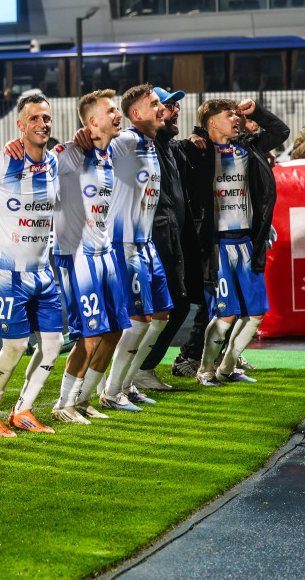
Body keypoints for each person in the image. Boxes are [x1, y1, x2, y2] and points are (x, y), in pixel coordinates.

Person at [181, 98, 289, 386]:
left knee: (255, 313)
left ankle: (226, 369)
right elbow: (171, 150)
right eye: (228, 114)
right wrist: (195, 135)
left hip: (247, 240)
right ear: (212, 122)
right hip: (217, 245)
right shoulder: (196, 150)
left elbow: (281, 132)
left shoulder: (247, 146)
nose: (235, 117)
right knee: (225, 315)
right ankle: (204, 371)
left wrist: (258, 112)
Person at [0, 95, 62, 437]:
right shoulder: (1, 162)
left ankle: (23, 410)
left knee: (53, 345)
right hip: (8, 273)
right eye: (35, 118)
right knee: (15, 346)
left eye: (46, 118)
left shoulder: (54, 161)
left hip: (43, 271)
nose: (43, 123)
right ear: (20, 125)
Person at [47, 90, 129, 424]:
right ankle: (63, 404)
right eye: (111, 110)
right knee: (90, 334)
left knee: (114, 331)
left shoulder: (112, 153)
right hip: (76, 255)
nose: (118, 114)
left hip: (105, 253)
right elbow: (39, 164)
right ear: (93, 121)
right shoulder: (68, 153)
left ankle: (82, 399)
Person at [97, 84, 171, 410]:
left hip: (146, 243)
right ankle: (111, 392)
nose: (161, 108)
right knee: (138, 320)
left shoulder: (151, 145)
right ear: (136, 114)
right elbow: (95, 145)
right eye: (154, 104)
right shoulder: (126, 141)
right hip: (124, 244)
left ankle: (127, 384)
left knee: (161, 316)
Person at [136, 87, 196, 391]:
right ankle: (137, 370)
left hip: (170, 240)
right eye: (165, 105)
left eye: (171, 106)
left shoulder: (170, 147)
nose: (172, 111)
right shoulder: (140, 144)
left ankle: (139, 370)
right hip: (153, 242)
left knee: (175, 307)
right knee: (162, 310)